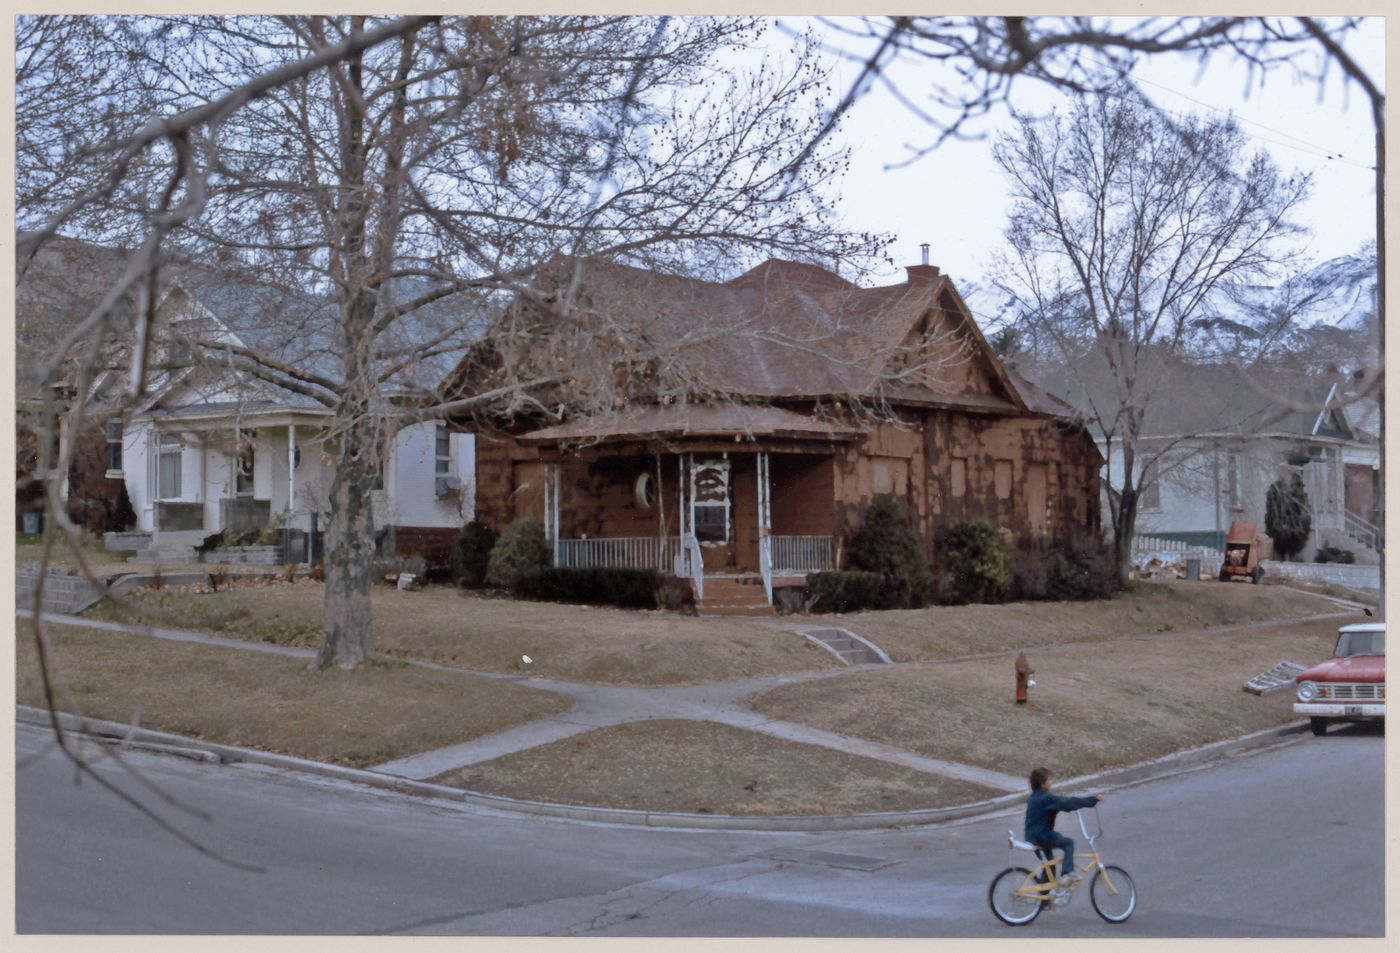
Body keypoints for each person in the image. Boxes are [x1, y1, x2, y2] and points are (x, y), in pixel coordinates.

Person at [1024, 767, 1103, 885]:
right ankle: (1066, 875)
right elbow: (1067, 803)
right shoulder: (1046, 797)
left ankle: (1044, 899)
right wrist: (1092, 800)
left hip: (1032, 835)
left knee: (1050, 865)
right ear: (1042, 784)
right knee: (1068, 843)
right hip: (1042, 836)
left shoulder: (1034, 796)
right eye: (1049, 780)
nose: (1051, 782)